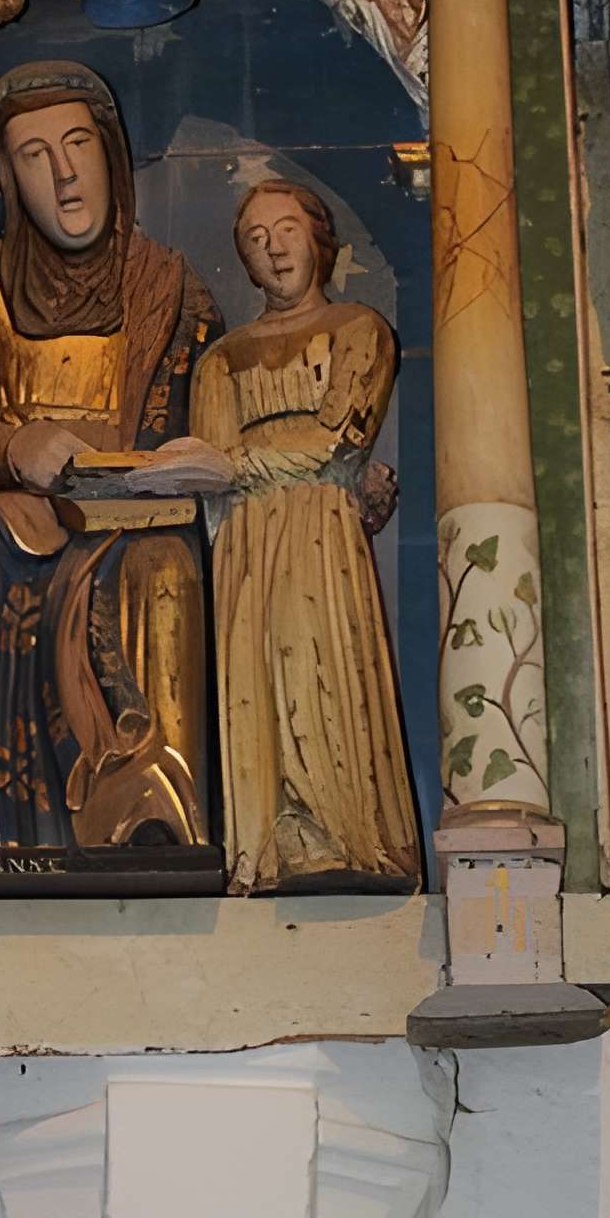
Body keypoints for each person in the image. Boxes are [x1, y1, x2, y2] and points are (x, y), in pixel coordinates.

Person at [0, 61, 228, 853]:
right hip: (4, 519)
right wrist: (11, 445)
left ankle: (154, 809)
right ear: (6, 175)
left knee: (167, 567)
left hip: (125, 524)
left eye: (77, 146)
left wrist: (210, 458)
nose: (64, 176)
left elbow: (219, 420)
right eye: (34, 155)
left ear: (112, 157)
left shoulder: (169, 289)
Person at [190, 181, 420, 891]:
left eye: (286, 229)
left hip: (318, 530)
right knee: (253, 675)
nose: (274, 247)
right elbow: (210, 462)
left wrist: (248, 463)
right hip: (247, 541)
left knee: (317, 666)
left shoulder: (360, 329)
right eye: (256, 240)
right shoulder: (221, 360)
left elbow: (338, 438)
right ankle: (261, 849)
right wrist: (228, 469)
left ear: (319, 241)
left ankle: (341, 838)